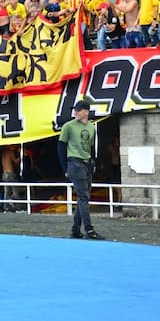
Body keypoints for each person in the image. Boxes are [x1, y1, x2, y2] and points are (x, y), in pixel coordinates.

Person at [58, 100, 105, 240]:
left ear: (86, 111)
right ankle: (89, 229)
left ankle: (75, 230)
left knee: (83, 198)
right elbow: (61, 147)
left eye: (78, 110)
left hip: (86, 163)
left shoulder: (92, 127)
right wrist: (65, 168)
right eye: (75, 110)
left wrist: (92, 162)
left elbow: (91, 147)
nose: (75, 113)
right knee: (84, 197)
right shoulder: (68, 126)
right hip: (74, 163)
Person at [0, 145, 24, 212]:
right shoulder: (10, 152)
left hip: (4, 174)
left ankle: (6, 207)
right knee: (15, 191)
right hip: (10, 174)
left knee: (6, 192)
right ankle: (18, 208)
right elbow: (16, 161)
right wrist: (20, 155)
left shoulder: (4, 152)